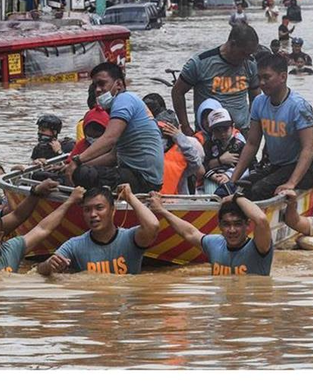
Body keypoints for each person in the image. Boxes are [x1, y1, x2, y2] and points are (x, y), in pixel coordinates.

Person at [230, 54, 313, 201]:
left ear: (283, 77)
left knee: (259, 190)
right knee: (244, 186)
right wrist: (232, 180)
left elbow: (309, 149)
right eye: (259, 78)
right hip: (276, 166)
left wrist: (291, 183)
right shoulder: (259, 102)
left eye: (267, 77)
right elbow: (252, 143)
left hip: (304, 168)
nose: (262, 83)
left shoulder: (298, 106)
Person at [65, 62, 164, 194]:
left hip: (143, 180)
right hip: (135, 175)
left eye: (102, 84)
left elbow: (109, 139)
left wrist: (77, 161)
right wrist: (78, 164)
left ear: (118, 85)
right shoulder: (124, 103)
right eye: (95, 85)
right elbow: (113, 156)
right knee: (76, 171)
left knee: (83, 174)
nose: (97, 90)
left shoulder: (124, 100)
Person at [37, 184, 160, 275]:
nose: (93, 214)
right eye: (87, 210)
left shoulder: (130, 238)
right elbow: (39, 270)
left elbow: (153, 226)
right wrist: (49, 266)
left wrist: (130, 197)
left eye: (99, 208)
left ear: (112, 210)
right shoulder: (75, 245)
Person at [148, 191, 273, 276]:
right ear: (219, 226)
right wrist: (162, 211)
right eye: (227, 224)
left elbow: (261, 219)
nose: (232, 230)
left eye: (237, 224)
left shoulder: (259, 247)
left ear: (247, 225)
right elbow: (189, 233)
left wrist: (236, 197)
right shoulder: (214, 244)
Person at [172, 24, 260, 137]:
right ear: (232, 44)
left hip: (241, 134)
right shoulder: (200, 63)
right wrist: (185, 127)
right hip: (209, 135)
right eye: (243, 53)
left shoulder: (250, 64)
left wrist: (253, 128)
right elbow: (177, 92)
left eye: (249, 54)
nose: (246, 58)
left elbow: (256, 99)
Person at [156, 109, 203, 195]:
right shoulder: (151, 148)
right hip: (154, 198)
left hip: (178, 200)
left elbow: (196, 163)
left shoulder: (186, 146)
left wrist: (179, 137)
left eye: (170, 130)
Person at [202, 108, 246, 196]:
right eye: (217, 130)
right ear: (211, 131)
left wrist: (228, 175)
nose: (222, 134)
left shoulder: (240, 144)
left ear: (233, 127)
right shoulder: (209, 145)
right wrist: (213, 176)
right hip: (213, 177)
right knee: (211, 196)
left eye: (225, 129)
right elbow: (204, 165)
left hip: (235, 176)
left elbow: (248, 165)